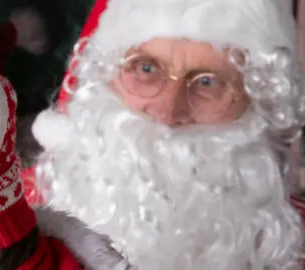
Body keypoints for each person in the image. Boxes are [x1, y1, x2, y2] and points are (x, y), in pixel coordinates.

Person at [31, 0, 305, 269]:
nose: (167, 113)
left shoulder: (291, 243)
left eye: (207, 82)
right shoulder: (17, 212)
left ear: (256, 98)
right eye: (146, 68)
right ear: (107, 75)